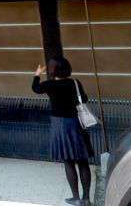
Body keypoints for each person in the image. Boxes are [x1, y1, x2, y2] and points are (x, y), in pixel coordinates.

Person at [33, 57, 93, 206]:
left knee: (68, 161)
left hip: (60, 125)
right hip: (77, 124)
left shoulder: (50, 85)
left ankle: (76, 198)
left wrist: (37, 74)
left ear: (53, 70)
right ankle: (86, 199)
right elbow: (83, 99)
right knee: (83, 161)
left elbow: (36, 88)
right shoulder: (75, 83)